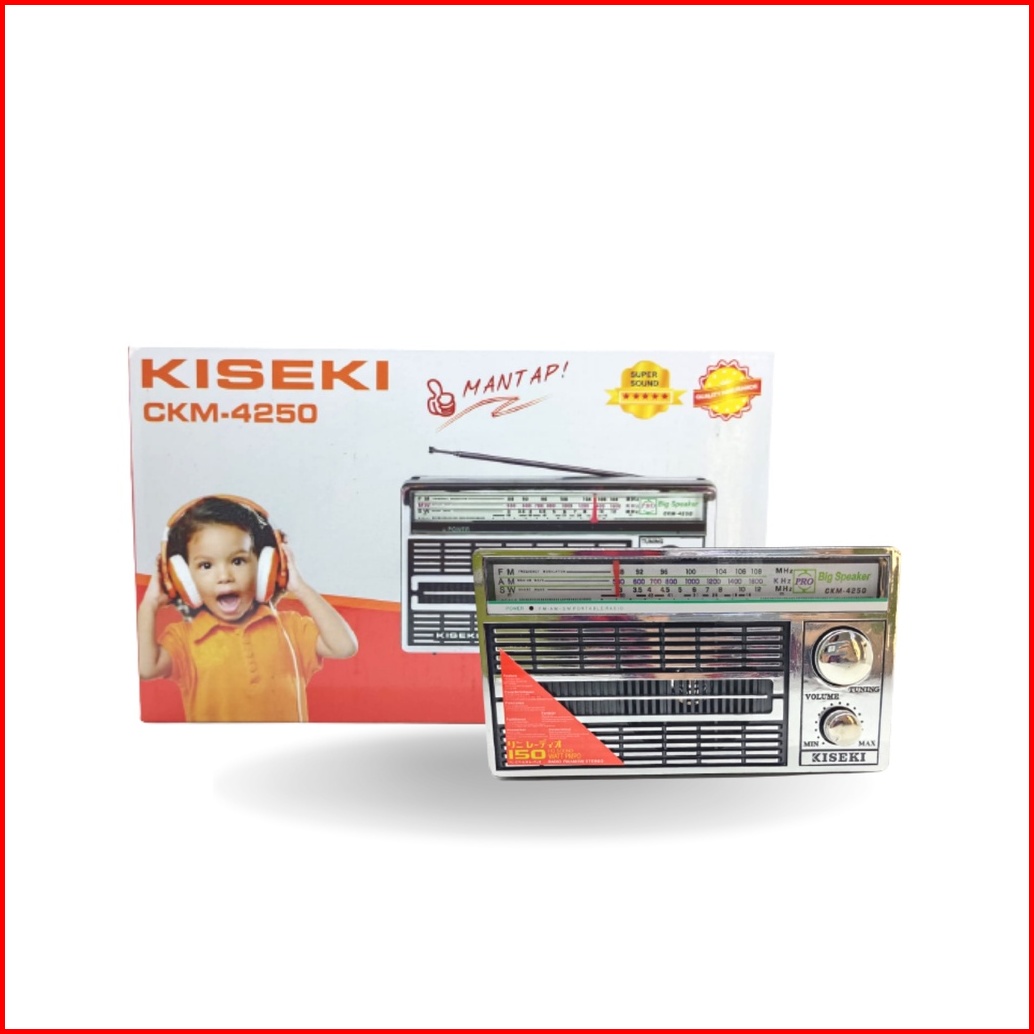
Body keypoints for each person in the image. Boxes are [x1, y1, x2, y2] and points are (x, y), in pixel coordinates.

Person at [137, 496, 358, 722]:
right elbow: (146, 668)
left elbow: (344, 647)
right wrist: (150, 603)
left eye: (238, 561)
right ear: (183, 578)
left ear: (265, 567)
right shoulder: (184, 639)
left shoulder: (290, 629)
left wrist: (299, 587)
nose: (224, 576)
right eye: (206, 565)